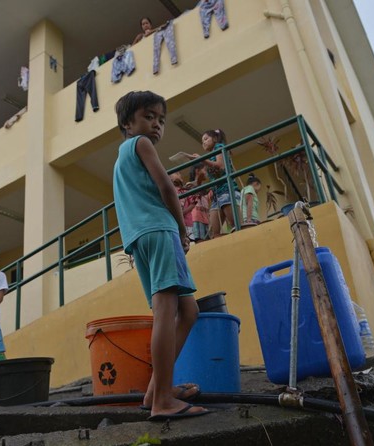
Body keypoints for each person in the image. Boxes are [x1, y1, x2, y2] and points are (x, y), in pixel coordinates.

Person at [113, 91, 209, 421]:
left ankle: (155, 390)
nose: (156, 124)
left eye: (161, 120)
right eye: (149, 116)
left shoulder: (121, 159)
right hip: (159, 229)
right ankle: (163, 401)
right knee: (167, 310)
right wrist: (183, 230)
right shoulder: (141, 145)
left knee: (188, 310)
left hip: (140, 238)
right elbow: (167, 187)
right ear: (128, 123)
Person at [187, 129, 240, 238]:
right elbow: (208, 177)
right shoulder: (209, 157)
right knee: (215, 232)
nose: (204, 142)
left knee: (236, 224)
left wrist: (202, 160)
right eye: (202, 142)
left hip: (227, 190)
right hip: (217, 195)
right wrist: (196, 183)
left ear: (215, 139)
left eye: (206, 139)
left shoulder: (219, 147)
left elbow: (220, 166)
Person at [170, 172, 196, 241]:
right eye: (176, 173)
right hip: (176, 222)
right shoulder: (170, 190)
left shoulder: (185, 190)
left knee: (190, 240)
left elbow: (193, 203)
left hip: (187, 222)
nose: (178, 174)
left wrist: (182, 212)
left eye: (179, 174)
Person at [189, 163, 210, 243]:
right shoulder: (190, 185)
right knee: (200, 241)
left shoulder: (205, 188)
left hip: (206, 219)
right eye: (205, 170)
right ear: (197, 171)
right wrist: (199, 180)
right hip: (196, 218)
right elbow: (195, 190)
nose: (206, 173)